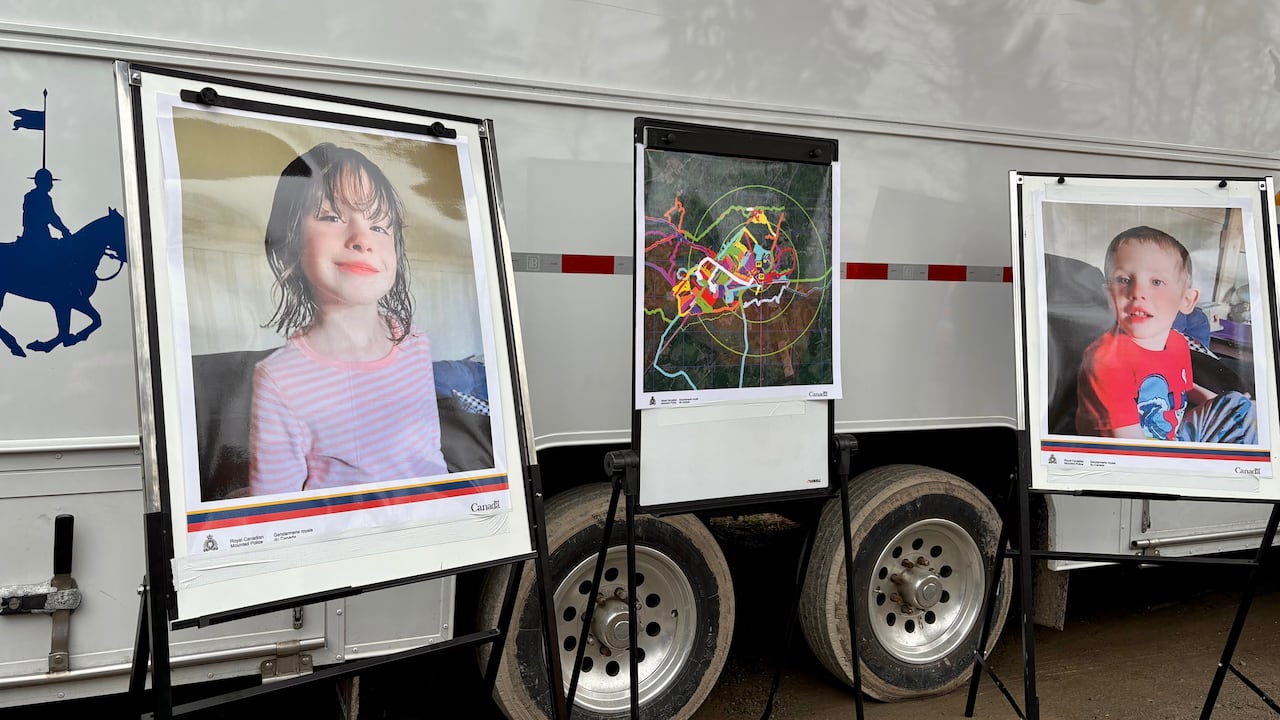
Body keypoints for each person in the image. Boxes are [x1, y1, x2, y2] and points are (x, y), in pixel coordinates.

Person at [249, 142, 446, 496]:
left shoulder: (415, 343)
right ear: (290, 242)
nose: (362, 239)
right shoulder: (279, 379)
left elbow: (431, 457)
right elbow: (275, 510)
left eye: (379, 227)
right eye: (331, 217)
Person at [1075, 226, 1256, 443]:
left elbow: (1184, 387)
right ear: (1108, 295)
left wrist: (1220, 403)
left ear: (1186, 300)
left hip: (1172, 435)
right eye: (1124, 280)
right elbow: (1131, 449)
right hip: (1133, 452)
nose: (1137, 293)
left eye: (1156, 282)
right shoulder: (1106, 362)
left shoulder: (1178, 343)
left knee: (1241, 406)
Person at [19, 168, 70, 244]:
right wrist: (64, 230)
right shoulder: (44, 198)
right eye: (49, 182)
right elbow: (52, 217)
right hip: (40, 236)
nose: (52, 185)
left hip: (31, 235)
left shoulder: (29, 196)